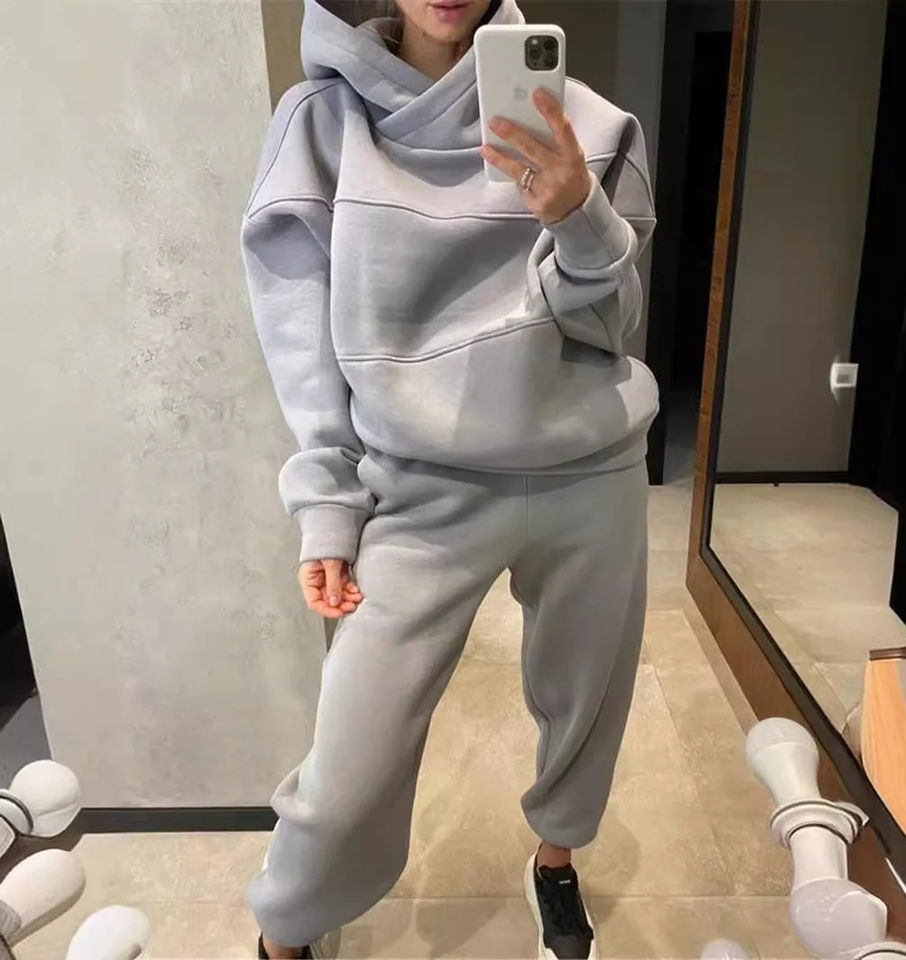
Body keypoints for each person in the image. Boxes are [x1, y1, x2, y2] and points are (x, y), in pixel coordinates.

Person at [242, 0, 657, 957]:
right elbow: (303, 350)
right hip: (419, 486)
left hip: (586, 474)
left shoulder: (589, 123)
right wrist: (328, 508)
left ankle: (556, 862)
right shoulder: (321, 127)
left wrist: (578, 218)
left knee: (588, 702)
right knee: (346, 775)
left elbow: (613, 332)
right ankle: (286, 930)